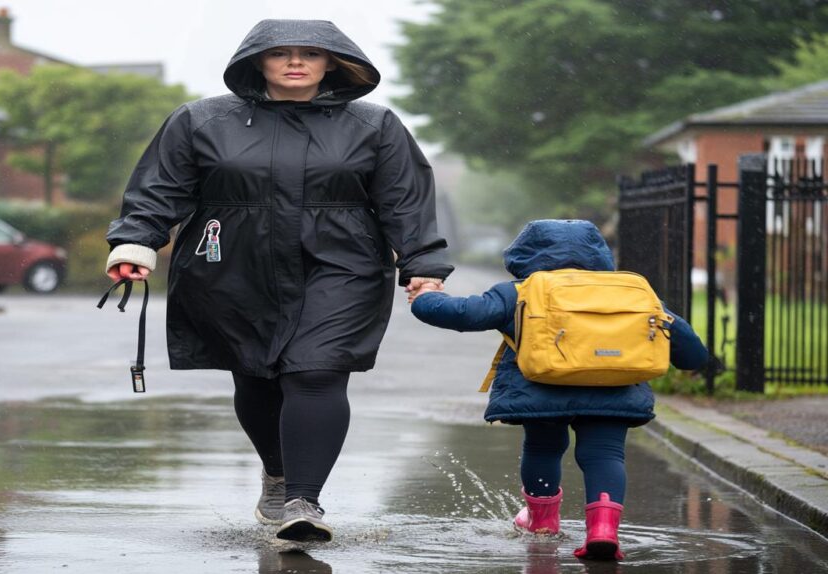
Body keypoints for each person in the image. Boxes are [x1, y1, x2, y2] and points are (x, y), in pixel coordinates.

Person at [104, 19, 452, 543]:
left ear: (331, 62)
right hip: (233, 264)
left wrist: (422, 264)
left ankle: (303, 501)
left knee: (317, 370)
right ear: (256, 61)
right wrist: (136, 243)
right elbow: (160, 189)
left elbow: (405, 199)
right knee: (255, 374)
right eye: (280, 53)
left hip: (342, 262)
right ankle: (277, 472)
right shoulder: (201, 120)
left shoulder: (374, 125)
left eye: (309, 53)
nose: (295, 62)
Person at [409, 219, 708, 561]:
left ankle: (542, 523)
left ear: (525, 254)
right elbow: (692, 353)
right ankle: (603, 530)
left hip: (543, 389)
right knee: (605, 454)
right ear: (599, 254)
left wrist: (426, 295)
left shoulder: (522, 291)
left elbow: (463, 314)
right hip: (613, 389)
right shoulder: (631, 292)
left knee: (543, 449)